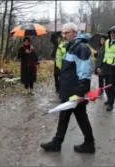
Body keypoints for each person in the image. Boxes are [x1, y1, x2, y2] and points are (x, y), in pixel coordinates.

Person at [40, 23, 95, 154]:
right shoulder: (71, 46)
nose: (64, 35)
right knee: (74, 117)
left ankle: (60, 143)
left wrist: (81, 93)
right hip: (69, 90)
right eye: (63, 33)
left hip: (75, 92)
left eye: (67, 33)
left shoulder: (81, 48)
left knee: (74, 117)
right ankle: (83, 143)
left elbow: (85, 73)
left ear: (75, 33)